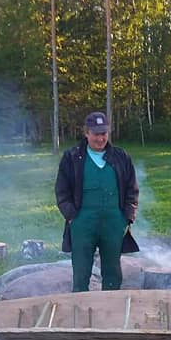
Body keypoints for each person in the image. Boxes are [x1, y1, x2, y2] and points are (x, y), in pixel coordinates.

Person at [55, 111, 139, 292]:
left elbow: (132, 189)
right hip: (82, 222)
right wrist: (72, 217)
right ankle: (80, 310)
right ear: (86, 133)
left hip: (114, 222)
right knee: (81, 270)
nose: (100, 139)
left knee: (112, 272)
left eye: (104, 134)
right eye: (96, 134)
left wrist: (127, 218)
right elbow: (62, 191)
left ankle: (111, 311)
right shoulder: (72, 157)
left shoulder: (121, 157)